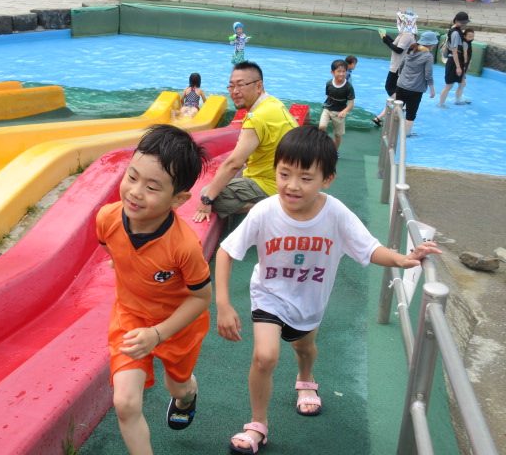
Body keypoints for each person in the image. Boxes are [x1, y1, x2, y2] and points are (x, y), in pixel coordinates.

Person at [216, 126, 442, 454]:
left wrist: (403, 259)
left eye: (306, 178)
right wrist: (223, 303)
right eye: (284, 174)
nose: (292, 185)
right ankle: (257, 424)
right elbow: (226, 251)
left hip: (310, 301)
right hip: (269, 295)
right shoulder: (265, 211)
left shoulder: (335, 214)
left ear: (328, 179)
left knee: (304, 347)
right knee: (265, 356)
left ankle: (305, 379)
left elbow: (369, 248)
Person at [96, 124, 213, 455]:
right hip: (131, 317)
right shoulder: (107, 218)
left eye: (151, 187)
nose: (135, 192)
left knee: (177, 386)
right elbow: (109, 246)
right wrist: (121, 264)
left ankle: (187, 396)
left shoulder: (183, 246)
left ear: (178, 199)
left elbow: (202, 297)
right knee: (125, 402)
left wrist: (159, 333)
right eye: (132, 177)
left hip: (178, 326)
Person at [192, 61, 298, 223]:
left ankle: (275, 207)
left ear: (259, 86)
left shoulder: (257, 118)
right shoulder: (273, 103)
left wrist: (207, 200)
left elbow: (234, 163)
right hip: (289, 181)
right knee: (227, 178)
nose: (235, 91)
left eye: (241, 85)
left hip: (273, 185)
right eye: (231, 86)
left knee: (208, 192)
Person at [372, 10, 418, 127]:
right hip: (398, 66)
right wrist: (387, 39)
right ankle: (381, 117)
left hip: (398, 67)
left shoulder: (407, 35)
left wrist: (387, 42)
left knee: (390, 88)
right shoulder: (405, 33)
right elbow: (397, 45)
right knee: (397, 92)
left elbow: (398, 49)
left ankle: (402, 104)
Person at [395, 31, 438, 137]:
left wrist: (400, 77)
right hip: (415, 89)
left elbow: (401, 65)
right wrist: (432, 89)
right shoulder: (428, 56)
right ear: (430, 44)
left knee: (397, 109)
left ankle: (392, 130)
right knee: (411, 113)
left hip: (401, 85)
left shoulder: (411, 50)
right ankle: (407, 134)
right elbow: (428, 74)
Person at [318, 59, 355, 153]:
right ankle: (322, 147)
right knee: (321, 127)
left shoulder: (348, 87)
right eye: (338, 71)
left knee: (338, 135)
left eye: (343, 71)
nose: (341, 74)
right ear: (332, 72)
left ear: (346, 72)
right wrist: (327, 106)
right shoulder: (329, 83)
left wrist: (344, 111)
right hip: (327, 109)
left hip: (339, 113)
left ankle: (334, 151)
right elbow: (328, 96)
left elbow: (351, 103)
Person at [438, 11, 471, 109]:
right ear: (456, 20)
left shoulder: (456, 29)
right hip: (454, 62)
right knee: (449, 85)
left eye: (465, 22)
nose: (464, 24)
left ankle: (457, 100)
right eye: (462, 22)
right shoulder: (455, 33)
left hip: (458, 61)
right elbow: (454, 50)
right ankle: (441, 103)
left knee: (462, 82)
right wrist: (458, 67)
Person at [452, 28, 474, 106]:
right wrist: (465, 62)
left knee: (463, 83)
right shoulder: (465, 43)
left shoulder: (468, 43)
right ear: (464, 36)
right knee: (462, 83)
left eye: (472, 36)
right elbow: (465, 54)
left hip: (464, 65)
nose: (471, 38)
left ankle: (459, 98)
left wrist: (468, 63)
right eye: (470, 37)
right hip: (463, 65)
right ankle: (457, 100)